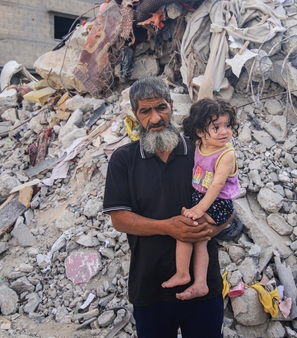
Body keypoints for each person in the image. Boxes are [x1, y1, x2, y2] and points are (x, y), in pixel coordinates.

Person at [103, 77, 228, 338]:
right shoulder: (124, 160)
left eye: (161, 107)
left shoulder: (201, 153)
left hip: (203, 286)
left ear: (172, 106)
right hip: (150, 288)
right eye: (145, 111)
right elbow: (120, 219)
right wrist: (169, 228)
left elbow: (228, 207)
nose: (155, 118)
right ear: (135, 114)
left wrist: (209, 229)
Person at [162, 98, 240, 301]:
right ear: (199, 132)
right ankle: (201, 283)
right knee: (200, 241)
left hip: (218, 204)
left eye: (227, 125)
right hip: (204, 200)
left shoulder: (226, 154)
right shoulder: (201, 145)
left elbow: (216, 185)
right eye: (216, 127)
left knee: (187, 230)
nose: (224, 132)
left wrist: (199, 209)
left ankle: (183, 273)